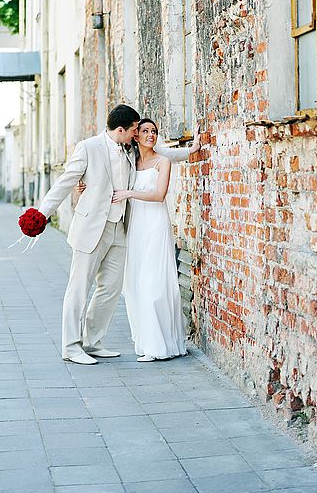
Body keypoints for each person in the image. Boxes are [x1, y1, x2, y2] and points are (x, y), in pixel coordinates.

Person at [36, 104, 199, 365]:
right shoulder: (88, 147)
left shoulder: (130, 148)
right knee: (79, 289)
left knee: (110, 289)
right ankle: (71, 346)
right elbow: (65, 181)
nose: (138, 134)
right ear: (121, 129)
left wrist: (190, 151)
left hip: (120, 229)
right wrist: (41, 214)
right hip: (91, 229)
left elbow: (162, 153)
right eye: (135, 130)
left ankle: (92, 341)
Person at [113, 118, 189, 362]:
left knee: (152, 283)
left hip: (155, 226)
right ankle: (146, 342)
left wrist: (129, 193)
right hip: (136, 227)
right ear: (136, 136)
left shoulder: (163, 161)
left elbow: (159, 195)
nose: (150, 135)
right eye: (145, 131)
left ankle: (160, 346)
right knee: (134, 284)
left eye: (154, 131)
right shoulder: (130, 162)